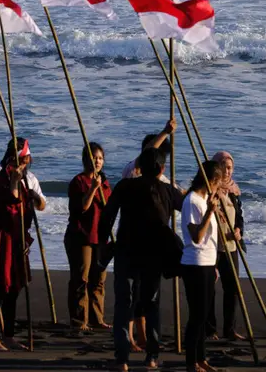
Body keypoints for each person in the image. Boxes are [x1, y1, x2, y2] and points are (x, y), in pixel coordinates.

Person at [99, 148, 183, 372]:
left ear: (139, 167)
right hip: (154, 255)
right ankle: (152, 357)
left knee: (123, 305)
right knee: (151, 304)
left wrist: (102, 242)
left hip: (127, 252)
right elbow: (190, 206)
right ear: (162, 169)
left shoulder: (125, 186)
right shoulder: (167, 190)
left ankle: (122, 359)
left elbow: (107, 216)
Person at [121, 118, 178, 353]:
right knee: (133, 295)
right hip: (134, 243)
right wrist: (165, 132)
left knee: (148, 295)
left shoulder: (164, 181)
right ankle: (131, 339)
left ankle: (145, 337)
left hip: (155, 246)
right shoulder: (133, 171)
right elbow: (147, 153)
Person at [0, 137, 35, 351]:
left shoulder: (23, 182)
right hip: (0, 242)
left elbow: (25, 215)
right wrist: (14, 184)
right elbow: (7, 213)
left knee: (14, 289)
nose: (22, 166)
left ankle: (9, 335)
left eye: (24, 162)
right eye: (19, 162)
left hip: (17, 241)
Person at [64, 142, 112, 332]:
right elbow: (83, 207)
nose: (97, 161)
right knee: (81, 279)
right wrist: (93, 188)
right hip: (81, 237)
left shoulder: (105, 184)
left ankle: (96, 318)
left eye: (100, 158)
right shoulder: (79, 182)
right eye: (94, 157)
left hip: (100, 238)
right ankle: (79, 321)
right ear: (86, 159)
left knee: (98, 279)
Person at [181, 160, 222, 372]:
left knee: (204, 314)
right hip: (194, 263)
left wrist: (214, 264)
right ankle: (191, 361)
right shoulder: (192, 200)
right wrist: (209, 213)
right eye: (218, 183)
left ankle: (201, 358)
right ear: (212, 181)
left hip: (206, 263)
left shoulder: (205, 200)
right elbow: (197, 236)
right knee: (197, 314)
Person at [206, 151, 245, 341]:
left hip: (230, 246)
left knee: (232, 288)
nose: (227, 172)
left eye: (230, 168)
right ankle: (210, 329)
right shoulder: (209, 189)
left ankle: (230, 329)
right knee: (210, 288)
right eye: (223, 167)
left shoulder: (234, 191)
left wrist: (238, 231)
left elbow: (239, 217)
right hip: (213, 246)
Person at [0, 140, 46, 212]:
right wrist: (14, 181)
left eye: (26, 161)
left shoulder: (30, 178)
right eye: (21, 161)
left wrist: (36, 196)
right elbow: (12, 206)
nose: (23, 166)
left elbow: (41, 207)